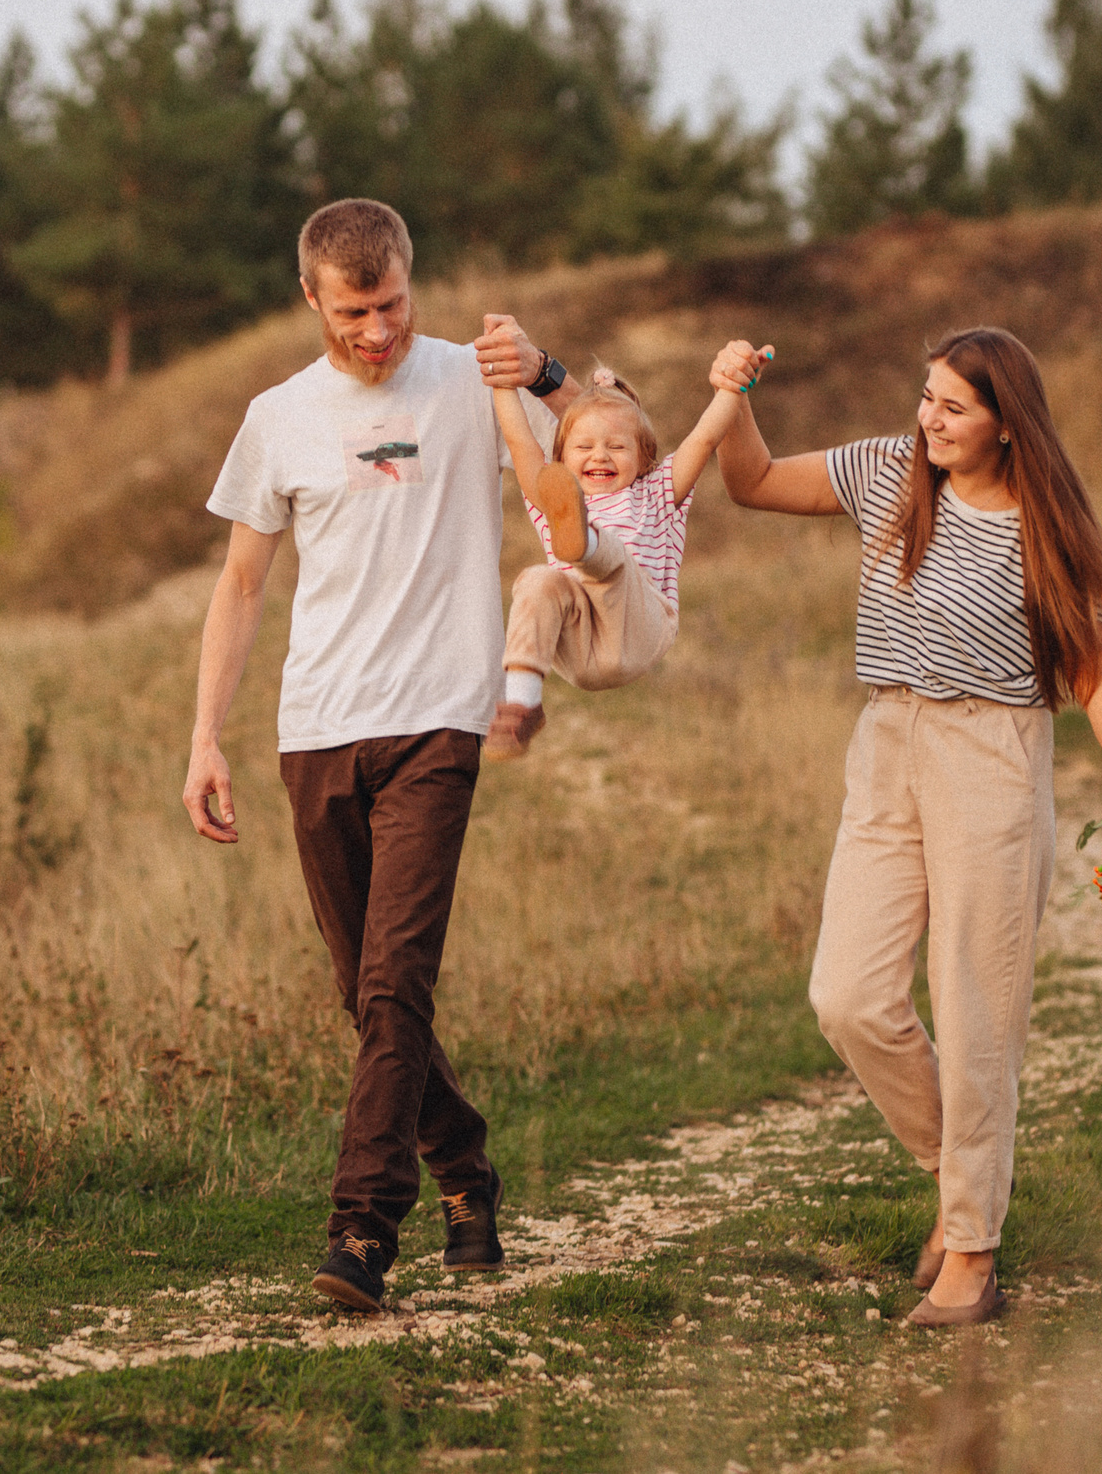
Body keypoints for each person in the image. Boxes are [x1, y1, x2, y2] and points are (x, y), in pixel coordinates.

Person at [710, 326, 1102, 1327]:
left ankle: (971, 1253)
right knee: (848, 996)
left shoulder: (1038, 525)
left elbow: (1093, 672)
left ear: (1006, 425)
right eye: (926, 399)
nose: (929, 420)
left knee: (973, 1014)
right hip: (888, 740)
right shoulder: (885, 473)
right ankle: (962, 1180)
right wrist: (732, 395)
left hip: (992, 759)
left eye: (952, 407)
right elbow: (750, 483)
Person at [182, 198, 579, 1314]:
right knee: (368, 995)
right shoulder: (277, 417)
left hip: (437, 723)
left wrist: (544, 376)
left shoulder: (473, 379)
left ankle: (362, 1229)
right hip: (314, 729)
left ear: (415, 280)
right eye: (354, 311)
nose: (377, 332)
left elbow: (613, 449)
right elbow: (243, 584)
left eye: (394, 304)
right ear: (311, 296)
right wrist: (206, 735)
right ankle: (466, 1170)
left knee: (397, 980)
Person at [481, 324, 771, 759]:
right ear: (561, 458)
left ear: (644, 458)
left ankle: (587, 546)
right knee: (537, 581)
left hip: (639, 629)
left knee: (613, 562)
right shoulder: (551, 496)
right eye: (584, 446)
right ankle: (523, 703)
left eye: (617, 446)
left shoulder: (657, 492)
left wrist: (736, 381)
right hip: (580, 650)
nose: (599, 455)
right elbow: (521, 442)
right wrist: (502, 381)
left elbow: (705, 436)